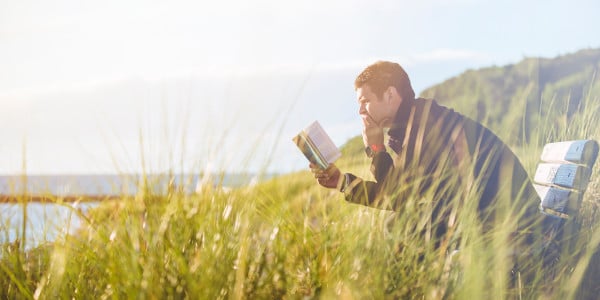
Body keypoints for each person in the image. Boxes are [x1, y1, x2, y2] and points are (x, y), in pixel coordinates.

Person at [309, 61, 552, 288]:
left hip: (514, 225)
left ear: (391, 95)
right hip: (493, 214)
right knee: (406, 224)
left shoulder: (426, 127)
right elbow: (400, 195)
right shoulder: (416, 122)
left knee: (402, 226)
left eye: (365, 101)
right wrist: (341, 181)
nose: (360, 110)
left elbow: (394, 197)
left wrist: (375, 148)